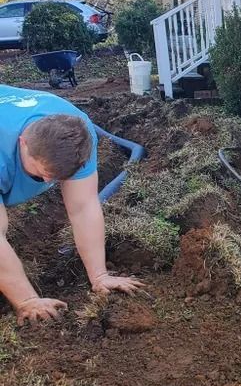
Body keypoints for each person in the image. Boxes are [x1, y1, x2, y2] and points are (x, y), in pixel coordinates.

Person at [0, 85, 144, 325]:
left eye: (57, 178)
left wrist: (100, 276)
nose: (47, 182)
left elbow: (84, 207)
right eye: (42, 173)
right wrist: (26, 301)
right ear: (23, 143)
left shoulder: (78, 137)